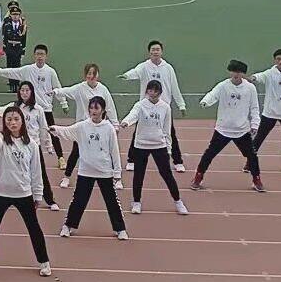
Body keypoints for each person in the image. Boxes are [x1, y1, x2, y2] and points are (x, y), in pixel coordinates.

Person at [0, 107, 52, 278]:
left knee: (34, 228)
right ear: (5, 122)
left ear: (22, 121)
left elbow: (36, 172)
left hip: (23, 193)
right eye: (9, 119)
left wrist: (37, 195)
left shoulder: (31, 145)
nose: (13, 123)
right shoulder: (1, 139)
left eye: (16, 119)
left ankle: (44, 262)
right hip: (1, 192)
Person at [52, 97, 128, 241]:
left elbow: (114, 151)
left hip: (104, 171)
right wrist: (55, 129)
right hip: (86, 171)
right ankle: (68, 226)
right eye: (91, 108)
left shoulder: (108, 128)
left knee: (112, 201)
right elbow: (67, 131)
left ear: (103, 110)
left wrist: (117, 172)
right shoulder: (82, 126)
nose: (93, 111)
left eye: (96, 108)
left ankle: (120, 229)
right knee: (78, 200)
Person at [191, 60, 266, 193]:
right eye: (233, 72)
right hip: (223, 129)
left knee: (252, 156)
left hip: (241, 130)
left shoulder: (250, 88)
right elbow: (213, 94)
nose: (236, 74)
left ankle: (257, 179)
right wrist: (205, 101)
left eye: (239, 72)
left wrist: (255, 124)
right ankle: (198, 177)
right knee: (209, 154)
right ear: (230, 72)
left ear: (243, 74)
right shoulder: (223, 86)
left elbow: (254, 108)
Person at [0, 44, 67, 168]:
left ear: (46, 56)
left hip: (45, 108)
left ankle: (61, 157)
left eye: (42, 54)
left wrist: (63, 103)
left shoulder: (50, 72)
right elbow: (13, 72)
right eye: (38, 54)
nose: (40, 57)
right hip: (30, 108)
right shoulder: (28, 70)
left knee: (52, 132)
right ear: (34, 55)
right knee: (26, 132)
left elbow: (57, 87)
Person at [120, 81, 189, 216]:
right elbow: (133, 114)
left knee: (167, 175)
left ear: (160, 92)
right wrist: (126, 122)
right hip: (141, 145)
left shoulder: (165, 107)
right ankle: (136, 202)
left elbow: (167, 130)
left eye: (155, 91)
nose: (152, 93)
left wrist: (168, 149)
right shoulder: (140, 105)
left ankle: (178, 201)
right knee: (138, 175)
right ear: (147, 91)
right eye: (150, 90)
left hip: (159, 145)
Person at [119, 41, 188, 173]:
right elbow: (135, 72)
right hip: (146, 106)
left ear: (161, 51)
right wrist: (127, 76)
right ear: (149, 52)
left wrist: (181, 105)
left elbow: (174, 87)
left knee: (170, 133)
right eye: (153, 50)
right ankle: (131, 160)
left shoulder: (168, 68)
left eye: (157, 49)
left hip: (163, 107)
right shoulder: (144, 66)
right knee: (138, 132)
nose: (155, 52)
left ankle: (178, 161)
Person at [0, 81, 60, 211]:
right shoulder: (16, 106)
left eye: (27, 90)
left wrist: (48, 145)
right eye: (22, 90)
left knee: (41, 173)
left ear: (32, 92)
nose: (24, 93)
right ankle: (16, 198)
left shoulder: (38, 109)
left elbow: (43, 127)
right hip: (17, 144)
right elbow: (5, 109)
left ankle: (50, 200)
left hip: (33, 146)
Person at [52, 64, 119, 189]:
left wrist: (115, 124)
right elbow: (67, 91)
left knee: (105, 151)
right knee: (76, 152)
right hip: (83, 128)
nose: (91, 76)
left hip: (99, 127)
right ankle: (66, 177)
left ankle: (114, 177)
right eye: (89, 73)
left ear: (98, 75)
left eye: (94, 73)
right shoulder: (80, 88)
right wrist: (55, 91)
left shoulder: (103, 89)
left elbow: (110, 107)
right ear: (85, 75)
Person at [1, 7, 27, 93]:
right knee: (10, 67)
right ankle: (11, 85)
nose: (15, 16)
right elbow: (4, 37)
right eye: (13, 14)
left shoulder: (22, 26)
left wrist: (23, 51)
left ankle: (17, 84)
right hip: (10, 48)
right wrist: (5, 49)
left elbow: (24, 39)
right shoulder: (7, 25)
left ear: (19, 15)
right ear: (11, 15)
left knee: (17, 67)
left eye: (17, 14)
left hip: (18, 48)